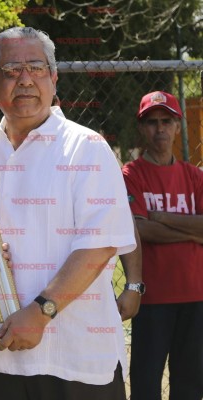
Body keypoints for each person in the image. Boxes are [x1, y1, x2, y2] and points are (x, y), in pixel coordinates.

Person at [0, 27, 136, 399]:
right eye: (12, 70)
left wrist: (41, 310)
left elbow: (99, 247)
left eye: (36, 67)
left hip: (75, 359)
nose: (25, 80)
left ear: (54, 78)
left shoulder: (87, 148)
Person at [122, 90, 203, 400]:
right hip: (152, 298)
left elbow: (151, 223)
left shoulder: (194, 177)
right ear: (142, 128)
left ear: (177, 126)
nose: (160, 129)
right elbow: (139, 231)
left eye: (166, 121)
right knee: (145, 383)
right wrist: (192, 230)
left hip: (196, 295)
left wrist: (161, 217)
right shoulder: (131, 175)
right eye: (152, 122)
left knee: (191, 384)